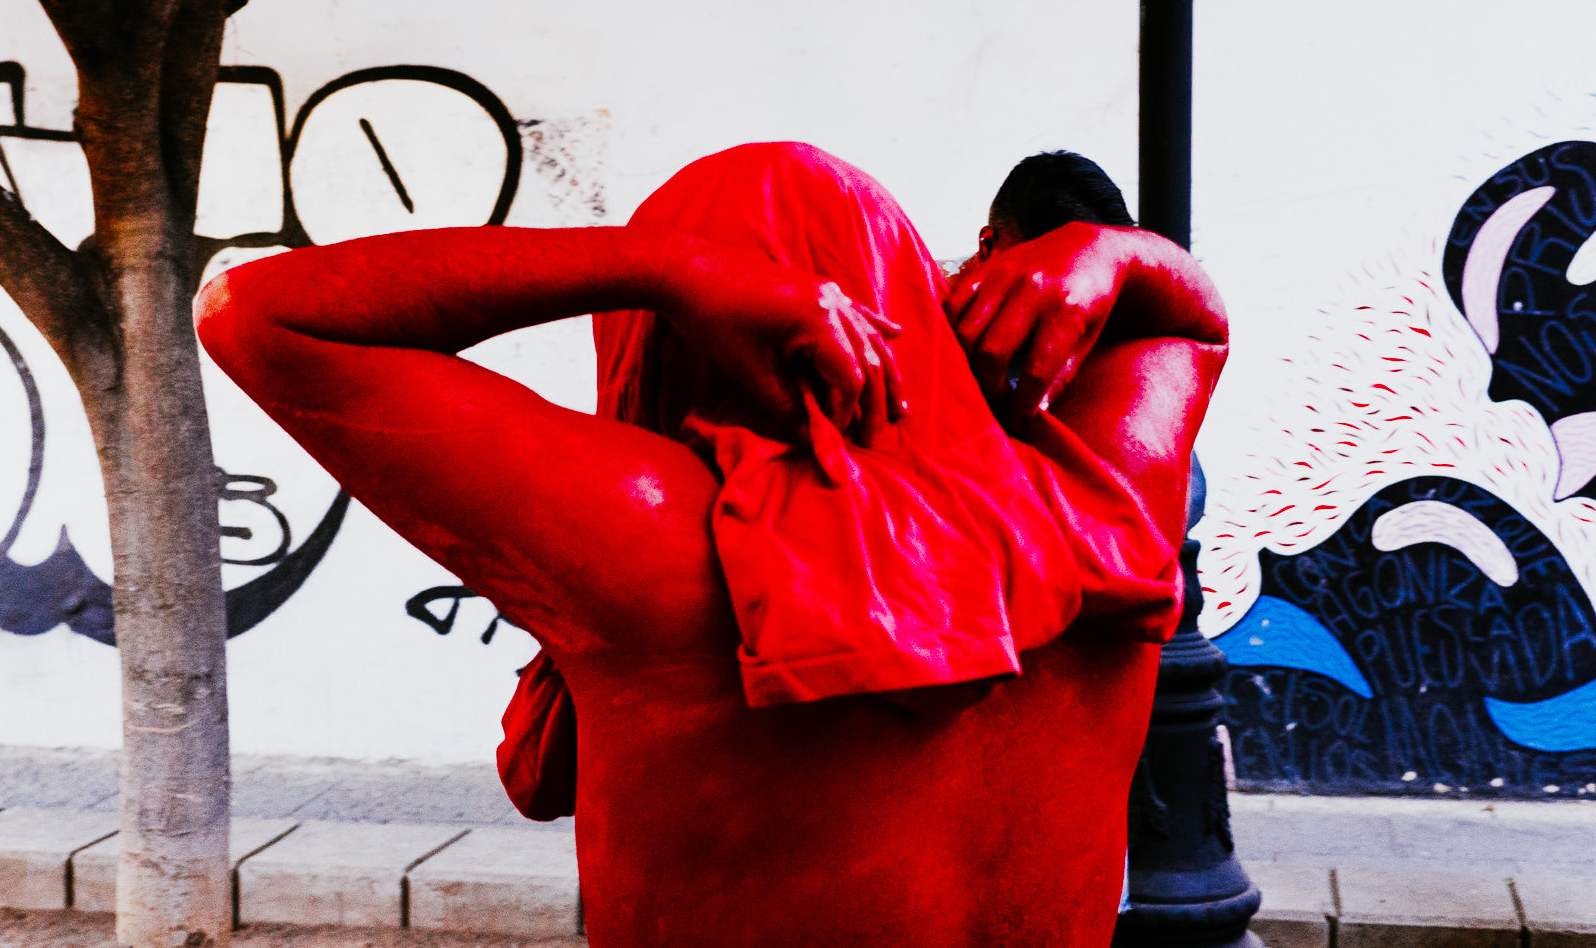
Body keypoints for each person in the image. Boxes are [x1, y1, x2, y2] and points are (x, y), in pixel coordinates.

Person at [196, 141, 1226, 946]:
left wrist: (662, 265)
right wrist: (1114, 253)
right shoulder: (1104, 511)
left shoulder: (656, 545)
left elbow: (258, 313)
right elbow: (1196, 325)